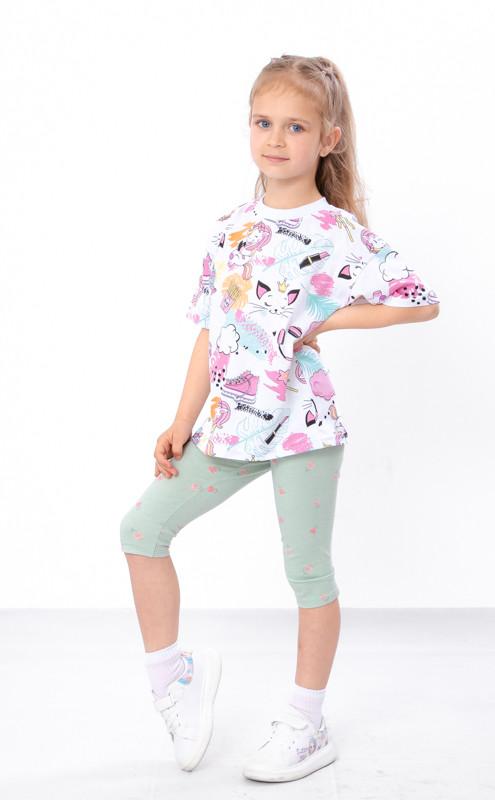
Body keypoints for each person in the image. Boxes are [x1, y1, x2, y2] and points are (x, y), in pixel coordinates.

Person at [120, 53, 440, 783]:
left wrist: (321, 319)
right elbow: (211, 332)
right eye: (263, 122)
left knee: (307, 572)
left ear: (327, 139)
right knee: (140, 531)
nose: (275, 138)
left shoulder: (336, 230)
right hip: (230, 426)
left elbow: (419, 301)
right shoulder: (229, 229)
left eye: (295, 126)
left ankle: (305, 724)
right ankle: (175, 679)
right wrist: (180, 421)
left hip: (302, 428)